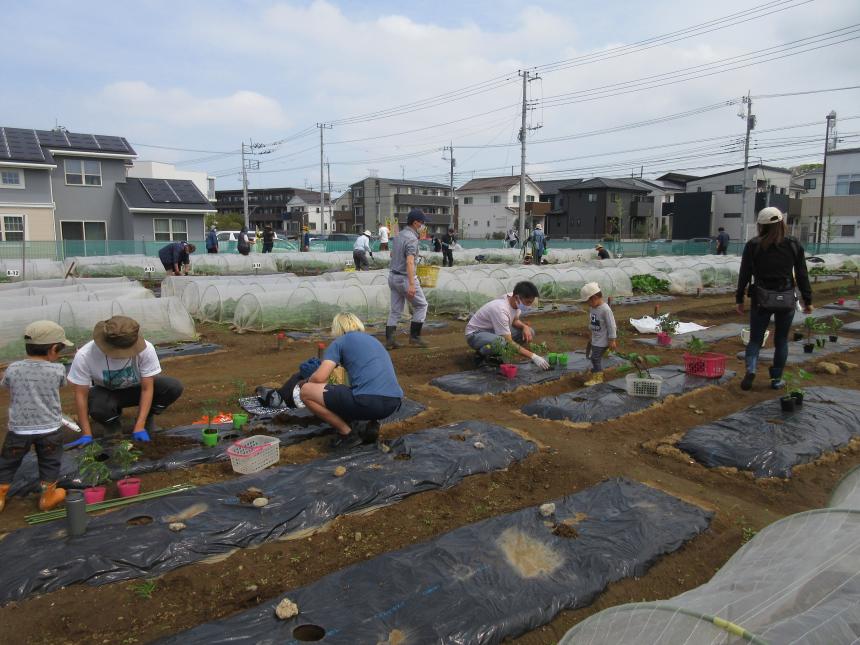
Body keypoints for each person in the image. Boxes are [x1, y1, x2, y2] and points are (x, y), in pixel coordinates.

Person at [65, 316, 184, 445]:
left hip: (137, 389)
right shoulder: (85, 355)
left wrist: (140, 425)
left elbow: (147, 388)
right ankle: (112, 425)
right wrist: (86, 433)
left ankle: (146, 417)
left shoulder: (146, 349)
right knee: (97, 405)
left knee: (172, 387)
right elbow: (81, 395)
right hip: (107, 392)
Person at [735, 206, 813, 391]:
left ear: (761, 226)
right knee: (781, 340)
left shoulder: (754, 245)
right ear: (781, 223)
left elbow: (744, 273)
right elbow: (802, 274)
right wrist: (807, 300)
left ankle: (751, 370)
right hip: (785, 299)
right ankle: (776, 380)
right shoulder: (793, 244)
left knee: (755, 339)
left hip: (761, 298)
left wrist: (739, 298)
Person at [300, 313, 403, 450]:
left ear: (337, 328)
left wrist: (307, 381)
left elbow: (320, 378)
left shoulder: (340, 341)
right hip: (393, 403)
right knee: (358, 386)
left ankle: (347, 433)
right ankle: (370, 425)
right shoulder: (374, 340)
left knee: (307, 391)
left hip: (368, 403)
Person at [0, 321, 74, 513]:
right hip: (49, 428)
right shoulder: (57, 370)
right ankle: (47, 497)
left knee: (8, 462)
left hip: (19, 429)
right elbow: (61, 385)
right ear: (53, 349)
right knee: (49, 462)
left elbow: (6, 384)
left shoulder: (13, 368)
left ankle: (0, 496)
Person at [465, 281, 550, 370]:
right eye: (528, 302)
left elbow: (515, 320)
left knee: (529, 332)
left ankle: (497, 354)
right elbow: (508, 341)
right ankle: (480, 356)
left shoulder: (514, 299)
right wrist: (533, 356)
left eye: (531, 302)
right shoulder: (501, 309)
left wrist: (525, 327)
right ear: (517, 298)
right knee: (502, 342)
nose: (529, 306)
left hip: (493, 330)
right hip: (475, 334)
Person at [386, 209, 430, 349]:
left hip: (393, 276)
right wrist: (411, 284)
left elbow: (392, 254)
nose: (423, 226)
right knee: (421, 305)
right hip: (405, 278)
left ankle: (390, 341)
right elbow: (410, 262)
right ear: (416, 223)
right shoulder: (412, 238)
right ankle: (415, 338)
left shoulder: (398, 235)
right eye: (422, 223)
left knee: (395, 310)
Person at [579, 282, 617, 385]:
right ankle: (596, 371)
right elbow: (592, 321)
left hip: (603, 340)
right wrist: (591, 333)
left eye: (588, 301)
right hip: (596, 338)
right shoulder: (593, 308)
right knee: (594, 357)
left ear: (594, 298)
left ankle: (598, 378)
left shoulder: (605, 310)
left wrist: (612, 340)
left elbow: (611, 325)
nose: (588, 304)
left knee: (595, 358)